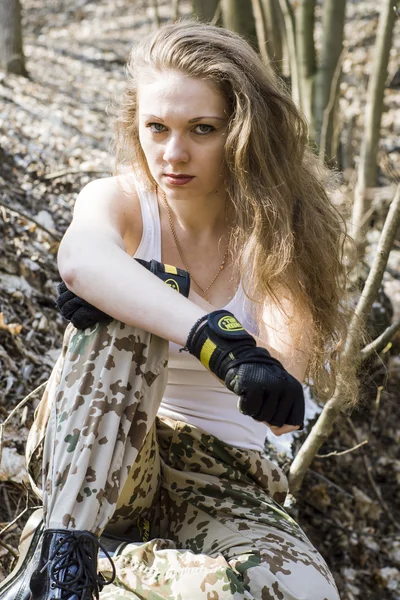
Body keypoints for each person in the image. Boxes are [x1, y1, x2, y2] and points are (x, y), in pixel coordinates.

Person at [16, 20, 354, 600]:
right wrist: (208, 331)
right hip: (107, 456)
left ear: (244, 132)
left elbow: (277, 394)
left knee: (305, 591)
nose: (174, 153)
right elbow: (81, 259)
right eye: (157, 128)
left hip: (221, 472)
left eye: (203, 129)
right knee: (118, 309)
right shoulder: (118, 201)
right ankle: (62, 570)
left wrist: (163, 301)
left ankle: (119, 567)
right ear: (137, 125)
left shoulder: (278, 237)